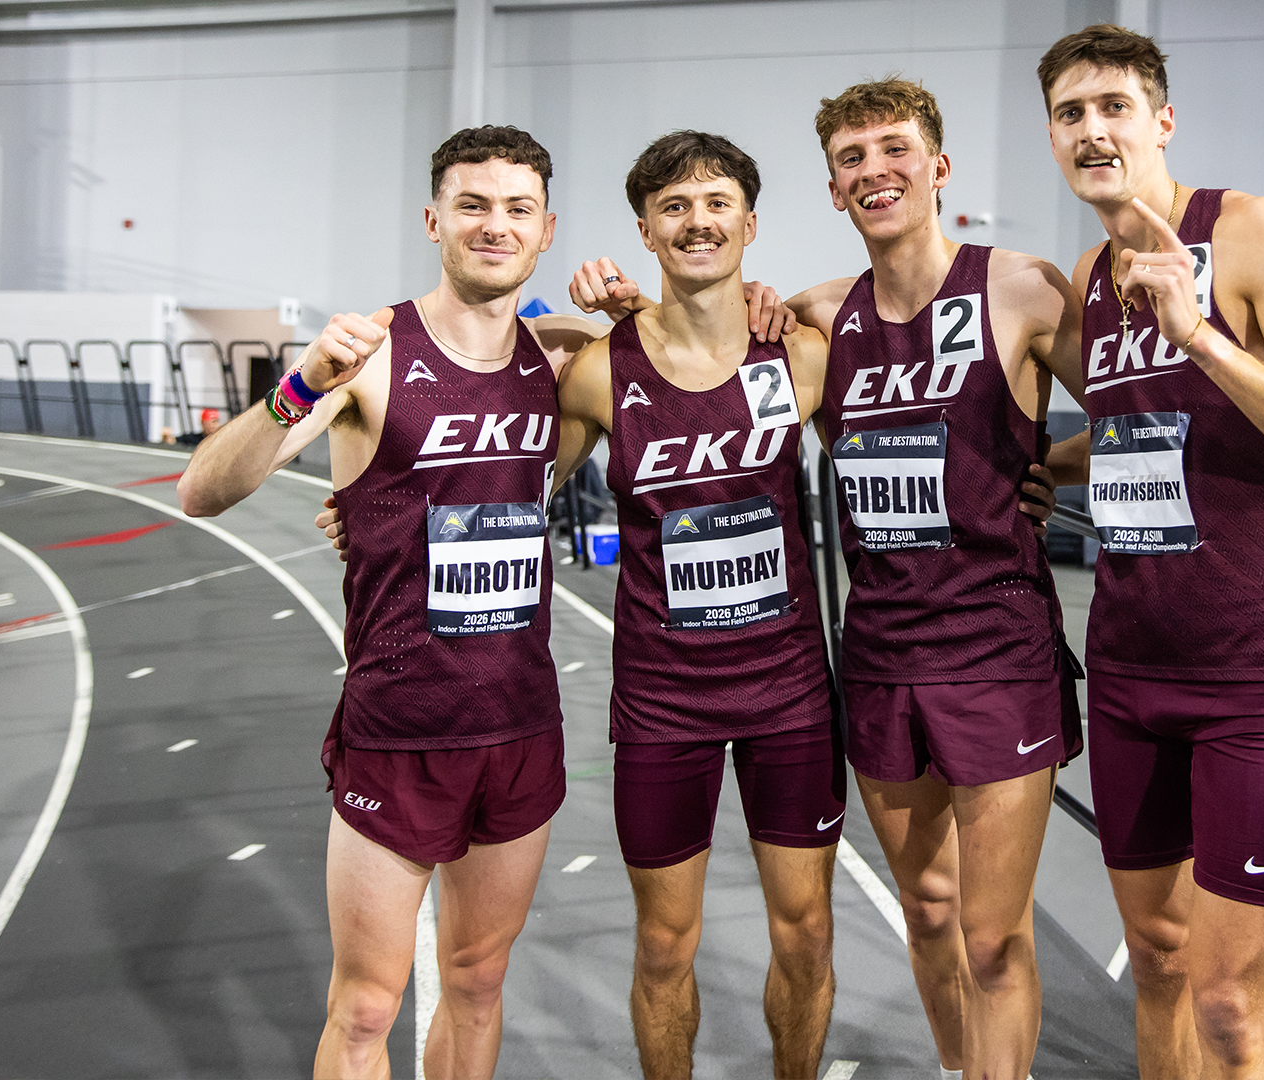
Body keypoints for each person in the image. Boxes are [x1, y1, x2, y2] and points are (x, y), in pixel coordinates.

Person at [178, 125, 613, 1080]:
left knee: (478, 981)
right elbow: (202, 490)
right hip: (400, 727)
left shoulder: (567, 356)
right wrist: (299, 386)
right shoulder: (369, 354)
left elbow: (699, 357)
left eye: (519, 209)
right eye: (472, 205)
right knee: (367, 1006)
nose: (495, 225)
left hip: (520, 724)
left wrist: (636, 307)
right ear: (433, 220)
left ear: (546, 231)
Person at [1036, 26, 1264, 1078]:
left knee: (1229, 1005)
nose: (1093, 130)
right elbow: (1140, 427)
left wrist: (1198, 332)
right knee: (1159, 962)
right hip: (1130, 665)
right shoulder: (1091, 274)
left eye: (1115, 107)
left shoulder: (1257, 231)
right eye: (1070, 113)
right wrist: (1040, 469)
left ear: (1163, 121)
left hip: (1252, 673)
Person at [783, 78, 1087, 1080]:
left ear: (939, 167)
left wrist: (1055, 467)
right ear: (833, 187)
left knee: (994, 937)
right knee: (927, 909)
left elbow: (1141, 402)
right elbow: (684, 371)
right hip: (880, 655)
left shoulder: (1023, 288)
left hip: (998, 652)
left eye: (895, 149)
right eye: (852, 158)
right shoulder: (816, 317)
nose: (875, 171)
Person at [551, 131, 841, 1080]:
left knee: (805, 933)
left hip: (789, 693)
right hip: (662, 698)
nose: (697, 221)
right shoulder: (600, 371)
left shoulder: (800, 358)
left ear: (750, 224)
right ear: (646, 231)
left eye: (717, 203)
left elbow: (907, 443)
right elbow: (507, 487)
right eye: (673, 207)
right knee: (664, 944)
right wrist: (375, 510)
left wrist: (1034, 486)